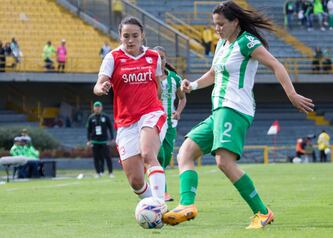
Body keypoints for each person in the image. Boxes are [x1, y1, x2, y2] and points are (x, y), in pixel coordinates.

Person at [162, 1, 314, 229]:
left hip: (234, 108)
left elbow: (276, 65)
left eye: (221, 24)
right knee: (186, 152)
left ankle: (262, 212)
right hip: (220, 110)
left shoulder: (247, 42)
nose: (217, 29)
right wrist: (191, 85)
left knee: (224, 161)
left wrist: (291, 94)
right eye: (215, 25)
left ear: (235, 22)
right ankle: (186, 205)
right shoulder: (222, 44)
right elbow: (214, 73)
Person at [93, 16, 168, 202]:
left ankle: (159, 206)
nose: (130, 40)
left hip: (151, 113)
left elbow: (157, 86)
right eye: (126, 36)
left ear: (142, 35)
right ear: (120, 37)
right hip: (126, 122)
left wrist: (156, 108)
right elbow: (97, 85)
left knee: (148, 154)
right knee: (135, 181)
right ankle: (151, 205)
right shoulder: (112, 57)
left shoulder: (153, 56)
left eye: (135, 35)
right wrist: (101, 89)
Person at [153, 46, 187, 202]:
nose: (160, 60)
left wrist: (178, 112)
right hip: (153, 121)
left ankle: (156, 185)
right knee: (160, 156)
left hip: (170, 122)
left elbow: (182, 98)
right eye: (157, 57)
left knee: (166, 159)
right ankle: (163, 192)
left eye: (163, 57)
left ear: (166, 60)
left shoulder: (175, 78)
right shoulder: (148, 77)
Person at [87, 101, 115, 178]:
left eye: (99, 106)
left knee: (107, 156)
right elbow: (88, 130)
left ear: (101, 108)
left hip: (104, 140)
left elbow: (110, 128)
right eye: (96, 107)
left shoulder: (105, 117)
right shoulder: (91, 118)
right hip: (95, 141)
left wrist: (112, 138)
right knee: (97, 157)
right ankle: (98, 172)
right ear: (93, 108)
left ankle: (110, 172)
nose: (97, 108)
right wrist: (88, 140)